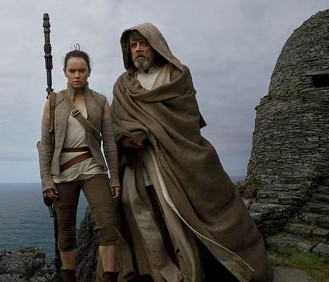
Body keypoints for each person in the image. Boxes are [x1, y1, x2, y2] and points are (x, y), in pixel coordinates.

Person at [110, 23, 273, 282]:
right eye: (133, 45)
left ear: (156, 45)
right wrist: (126, 138)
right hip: (142, 164)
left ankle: (199, 271)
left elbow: (186, 117)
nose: (138, 49)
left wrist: (149, 131)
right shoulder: (123, 86)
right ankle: (161, 271)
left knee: (182, 212)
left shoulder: (177, 76)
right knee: (145, 212)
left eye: (144, 43)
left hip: (180, 157)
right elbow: (117, 122)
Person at [38, 47, 121, 282]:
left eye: (81, 70)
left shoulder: (101, 101)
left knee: (108, 225)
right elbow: (45, 145)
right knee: (65, 233)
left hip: (93, 168)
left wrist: (114, 177)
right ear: (64, 72)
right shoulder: (53, 103)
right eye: (72, 70)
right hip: (62, 173)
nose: (77, 75)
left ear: (89, 72)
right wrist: (46, 181)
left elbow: (110, 144)